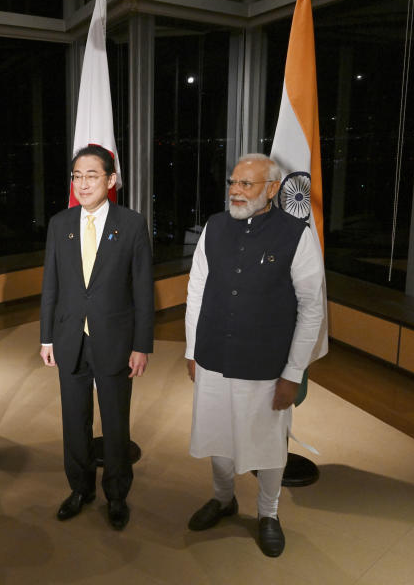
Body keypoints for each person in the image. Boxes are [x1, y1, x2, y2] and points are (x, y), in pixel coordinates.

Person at [184, 153, 326, 557]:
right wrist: (193, 349)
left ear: (272, 190)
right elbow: (196, 291)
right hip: (214, 355)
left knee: (268, 444)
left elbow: (312, 307)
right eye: (233, 182)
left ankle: (268, 513)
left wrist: (293, 373)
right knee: (217, 433)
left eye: (246, 184)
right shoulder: (213, 226)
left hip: (267, 365)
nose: (235, 190)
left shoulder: (296, 235)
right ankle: (223, 498)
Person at [39, 145, 154, 531]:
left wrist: (141, 345)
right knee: (74, 422)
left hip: (116, 341)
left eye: (91, 175)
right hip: (69, 339)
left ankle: (117, 494)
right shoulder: (60, 224)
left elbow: (142, 290)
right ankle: (79, 489)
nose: (83, 183)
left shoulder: (133, 224)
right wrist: (46, 338)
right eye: (77, 175)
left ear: (111, 180)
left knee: (116, 424)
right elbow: (51, 287)